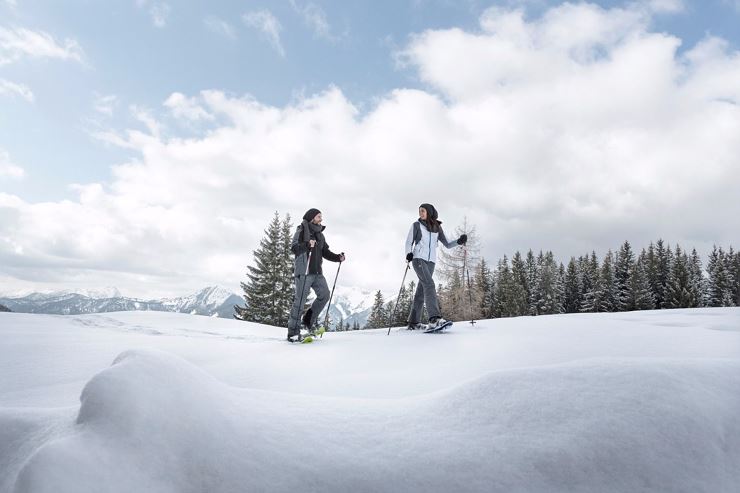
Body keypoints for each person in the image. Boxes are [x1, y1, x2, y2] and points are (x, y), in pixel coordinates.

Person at [405, 203, 467, 331]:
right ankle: (434, 319)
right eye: (419, 211)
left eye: (423, 211)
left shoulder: (437, 227)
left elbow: (448, 244)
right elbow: (408, 241)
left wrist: (459, 241)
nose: (420, 213)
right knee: (429, 285)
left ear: (429, 212)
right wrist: (408, 254)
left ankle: (413, 322)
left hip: (431, 262)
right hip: (418, 259)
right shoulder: (416, 225)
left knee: (421, 291)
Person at [287, 208, 345, 342]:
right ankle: (293, 333)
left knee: (324, 295)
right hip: (304, 272)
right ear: (312, 217)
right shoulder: (301, 230)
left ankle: (307, 322)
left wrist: (338, 258)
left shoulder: (320, 235)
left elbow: (325, 251)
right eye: (319, 217)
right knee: (299, 302)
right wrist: (307, 244)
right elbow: (294, 248)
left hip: (317, 272)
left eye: (321, 217)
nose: (321, 219)